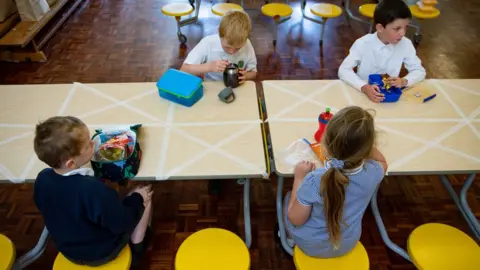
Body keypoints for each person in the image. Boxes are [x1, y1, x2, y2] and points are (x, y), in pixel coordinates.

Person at [33, 116, 153, 266]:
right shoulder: (92, 191)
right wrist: (138, 198)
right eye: (88, 145)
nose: (93, 143)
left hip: (67, 250)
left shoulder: (42, 178)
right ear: (71, 163)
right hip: (102, 253)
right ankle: (137, 249)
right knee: (144, 193)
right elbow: (122, 222)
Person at [282, 106, 388, 258]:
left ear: (325, 144)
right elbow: (382, 161)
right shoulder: (374, 172)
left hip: (311, 245)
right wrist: (361, 144)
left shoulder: (314, 180)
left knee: (287, 200)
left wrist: (299, 178)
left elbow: (295, 219)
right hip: (347, 243)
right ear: (367, 148)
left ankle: (287, 238)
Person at [338, 0, 426, 103]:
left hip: (389, 96)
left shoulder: (405, 44)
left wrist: (404, 81)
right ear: (380, 27)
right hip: (362, 94)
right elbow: (343, 70)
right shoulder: (363, 43)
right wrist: (363, 87)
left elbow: (419, 71)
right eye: (397, 28)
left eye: (405, 27)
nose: (403, 33)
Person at [180, 10, 257, 83]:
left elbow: (253, 72)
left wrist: (246, 76)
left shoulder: (247, 44)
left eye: (238, 48)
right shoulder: (208, 43)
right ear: (219, 33)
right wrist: (209, 67)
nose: (231, 52)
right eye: (227, 47)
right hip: (211, 85)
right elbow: (183, 69)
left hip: (236, 85)